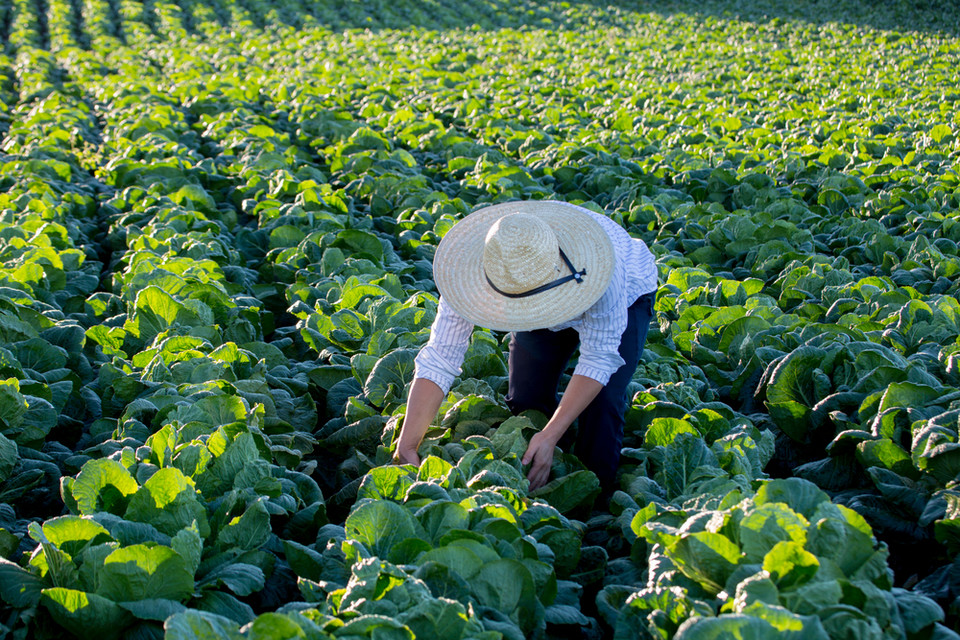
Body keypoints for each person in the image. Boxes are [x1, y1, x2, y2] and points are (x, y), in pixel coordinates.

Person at [394, 200, 657, 494]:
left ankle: (595, 502)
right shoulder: (475, 271)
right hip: (530, 284)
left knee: (603, 403)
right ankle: (538, 469)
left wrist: (550, 436)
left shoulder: (603, 269)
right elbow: (440, 358)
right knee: (526, 400)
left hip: (628, 295)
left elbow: (599, 359)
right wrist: (407, 444)